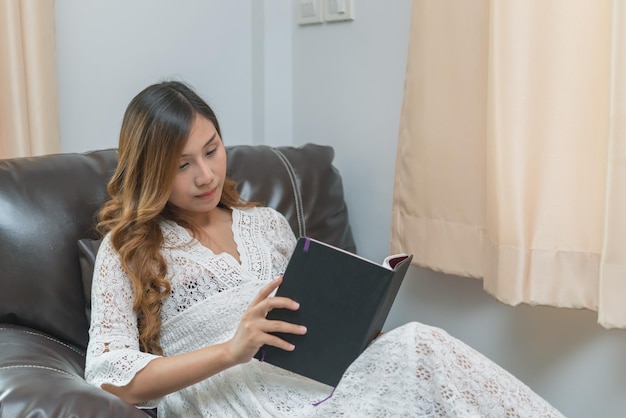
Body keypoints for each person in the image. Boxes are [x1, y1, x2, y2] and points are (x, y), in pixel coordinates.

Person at [85, 80, 564, 418]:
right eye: (181, 165)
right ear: (149, 171)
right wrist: (232, 349)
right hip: (231, 398)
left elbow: (312, 322)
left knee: (420, 341)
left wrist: (357, 323)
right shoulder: (126, 249)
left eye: (211, 150)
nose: (206, 175)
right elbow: (109, 377)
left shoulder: (266, 224)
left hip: (319, 385)